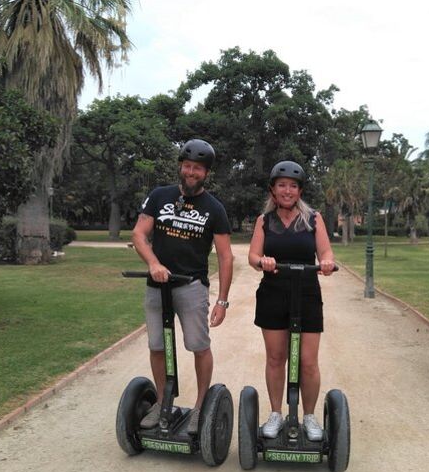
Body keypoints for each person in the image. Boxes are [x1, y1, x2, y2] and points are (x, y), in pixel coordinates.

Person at [131, 138, 234, 435]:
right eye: (187, 166)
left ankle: (201, 405)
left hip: (191, 286)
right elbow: (139, 234)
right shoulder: (159, 196)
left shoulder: (214, 208)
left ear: (206, 173)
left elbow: (226, 256)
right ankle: (163, 401)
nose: (191, 172)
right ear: (180, 166)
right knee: (156, 345)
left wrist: (222, 301)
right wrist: (153, 263)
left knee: (198, 346)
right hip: (156, 284)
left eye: (198, 168)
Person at [247, 160, 336, 442]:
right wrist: (263, 261)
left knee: (308, 361)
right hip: (273, 292)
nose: (287, 190)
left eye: (293, 186)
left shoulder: (314, 219)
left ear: (299, 191)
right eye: (282, 185)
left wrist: (326, 263)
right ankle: (275, 413)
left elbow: (326, 252)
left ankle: (308, 416)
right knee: (276, 358)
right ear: (273, 190)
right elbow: (252, 256)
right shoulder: (264, 221)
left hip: (307, 292)